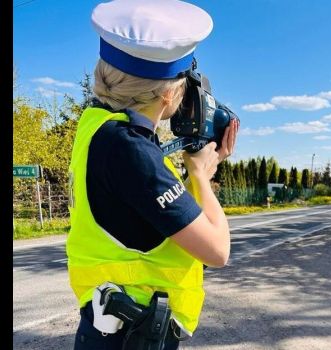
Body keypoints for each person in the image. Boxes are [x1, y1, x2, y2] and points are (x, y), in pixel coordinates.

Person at [65, 0, 238, 349]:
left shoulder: (99, 128)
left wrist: (195, 169)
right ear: (167, 92)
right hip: (132, 335)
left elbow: (149, 217)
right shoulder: (130, 151)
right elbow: (217, 251)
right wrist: (200, 175)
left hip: (111, 329)